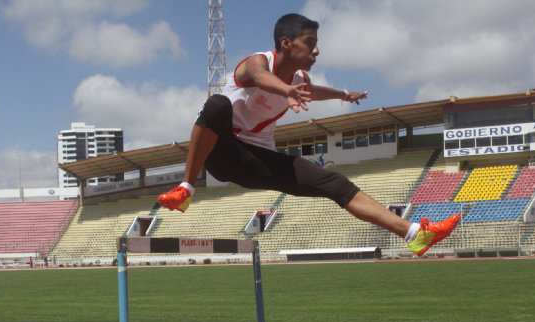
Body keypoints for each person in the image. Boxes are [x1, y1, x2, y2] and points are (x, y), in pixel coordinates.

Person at [158, 13, 459, 257]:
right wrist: (286, 90)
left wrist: (344, 94)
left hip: (256, 162)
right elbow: (261, 78)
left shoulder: (301, 79)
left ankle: (414, 235)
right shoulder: (257, 63)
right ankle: (186, 188)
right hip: (221, 151)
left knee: (336, 184)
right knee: (216, 105)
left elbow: (313, 91)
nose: (316, 50)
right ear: (286, 43)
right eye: (310, 42)